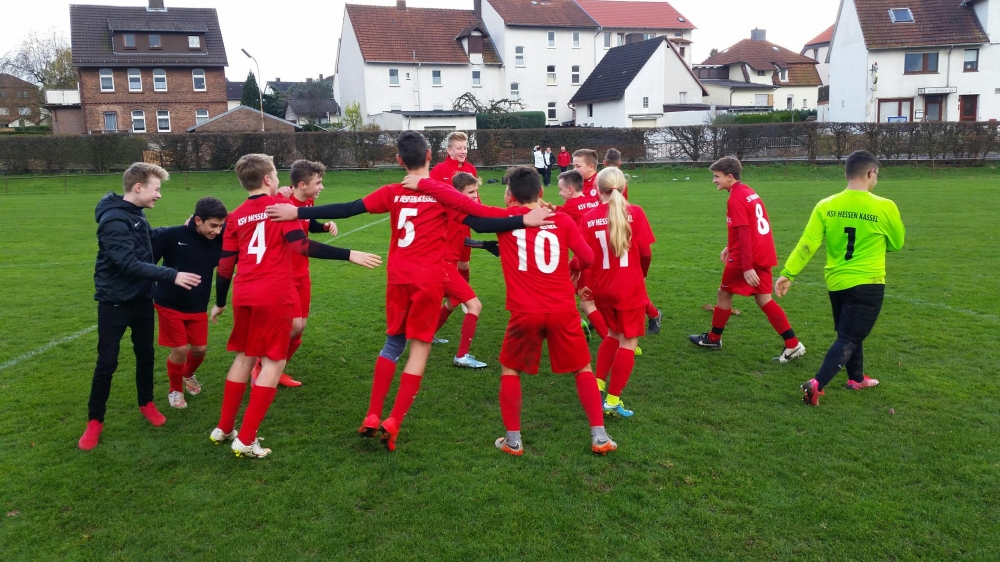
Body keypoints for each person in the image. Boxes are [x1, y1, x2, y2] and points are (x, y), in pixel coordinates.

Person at [266, 131, 553, 451]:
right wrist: (524, 218)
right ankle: (394, 421)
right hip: (429, 280)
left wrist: (299, 212)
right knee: (419, 349)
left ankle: (373, 414)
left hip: (398, 279)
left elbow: (348, 208)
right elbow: (483, 221)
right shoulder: (443, 194)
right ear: (430, 156)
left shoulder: (393, 191)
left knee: (392, 344)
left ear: (399, 160)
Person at [210, 154, 382, 459]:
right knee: (273, 362)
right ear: (267, 179)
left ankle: (224, 428)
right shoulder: (280, 208)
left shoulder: (235, 216)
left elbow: (224, 267)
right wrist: (349, 254)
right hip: (274, 294)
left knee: (243, 358)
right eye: (276, 175)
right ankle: (246, 439)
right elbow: (300, 245)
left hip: (243, 293)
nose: (280, 180)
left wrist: (220, 302)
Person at [491, 166, 617, 456]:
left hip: (525, 310)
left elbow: (475, 215)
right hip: (562, 308)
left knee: (511, 369)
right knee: (582, 369)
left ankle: (513, 441)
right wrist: (573, 269)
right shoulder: (560, 219)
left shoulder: (505, 219)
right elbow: (587, 257)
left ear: (510, 196)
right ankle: (599, 437)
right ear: (541, 192)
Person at [79, 163, 202, 451]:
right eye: (156, 189)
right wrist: (172, 275)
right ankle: (95, 421)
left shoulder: (135, 213)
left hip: (142, 300)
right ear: (138, 187)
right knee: (107, 363)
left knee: (145, 355)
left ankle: (146, 402)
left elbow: (149, 239)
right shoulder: (113, 220)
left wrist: (184, 229)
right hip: (114, 302)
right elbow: (127, 263)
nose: (159, 194)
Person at [775, 151, 905, 406]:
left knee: (850, 333)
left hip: (836, 282)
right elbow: (897, 243)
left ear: (846, 174)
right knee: (849, 337)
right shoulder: (885, 206)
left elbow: (807, 244)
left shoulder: (826, 205)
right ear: (871, 173)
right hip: (868, 282)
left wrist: (788, 273)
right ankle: (816, 384)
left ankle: (856, 378)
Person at [688, 156, 806, 362]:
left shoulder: (735, 198)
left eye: (717, 176)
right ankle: (792, 344)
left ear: (729, 177)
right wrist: (729, 246)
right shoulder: (749, 192)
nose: (714, 180)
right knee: (763, 299)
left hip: (746, 256)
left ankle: (713, 338)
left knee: (724, 293)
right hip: (762, 253)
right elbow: (749, 225)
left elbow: (744, 231)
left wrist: (747, 266)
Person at [251, 159, 338, 388]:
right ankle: (260, 365)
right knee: (294, 326)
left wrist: (324, 226)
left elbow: (307, 222)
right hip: (284, 275)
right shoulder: (281, 202)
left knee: (299, 330)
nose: (321, 187)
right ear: (302, 184)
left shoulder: (307, 202)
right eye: (318, 183)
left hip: (302, 274)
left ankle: (276, 370)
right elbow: (253, 211)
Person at [582, 167, 655, 418]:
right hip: (629, 288)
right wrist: (641, 273)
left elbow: (585, 257)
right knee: (629, 341)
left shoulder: (588, 217)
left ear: (596, 189)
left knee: (613, 334)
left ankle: (597, 384)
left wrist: (581, 280)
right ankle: (612, 402)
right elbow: (645, 253)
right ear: (624, 187)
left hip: (603, 287)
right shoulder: (635, 212)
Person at [151, 196, 228, 410]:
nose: (217, 230)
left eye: (221, 226)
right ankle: (175, 390)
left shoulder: (220, 239)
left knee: (200, 349)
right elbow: (147, 264)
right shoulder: (172, 235)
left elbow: (239, 220)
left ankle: (187, 374)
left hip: (197, 304)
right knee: (180, 349)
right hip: (169, 303)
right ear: (197, 220)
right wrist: (166, 279)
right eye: (213, 225)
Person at [433, 172, 498, 369]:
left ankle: (427, 335)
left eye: (476, 191)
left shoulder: (459, 211)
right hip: (443, 266)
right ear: (458, 192)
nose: (475, 195)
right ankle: (461, 356)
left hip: (446, 265)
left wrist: (483, 245)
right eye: (470, 192)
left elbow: (460, 238)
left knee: (452, 303)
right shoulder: (454, 210)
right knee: (475, 306)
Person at [603, 148, 661, 335]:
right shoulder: (616, 180)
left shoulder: (608, 182)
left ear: (603, 163)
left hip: (618, 230)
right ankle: (602, 318)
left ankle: (652, 314)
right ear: (620, 163)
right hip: (613, 229)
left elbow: (621, 209)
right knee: (624, 283)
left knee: (626, 283)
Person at [430, 132, 478, 285]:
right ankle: (449, 292)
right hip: (445, 226)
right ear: (449, 151)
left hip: (464, 225)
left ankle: (463, 293)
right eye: (459, 148)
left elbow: (475, 196)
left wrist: (481, 212)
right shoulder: (439, 170)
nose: (463, 151)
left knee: (464, 263)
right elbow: (430, 197)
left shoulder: (471, 169)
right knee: (446, 263)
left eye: (465, 148)